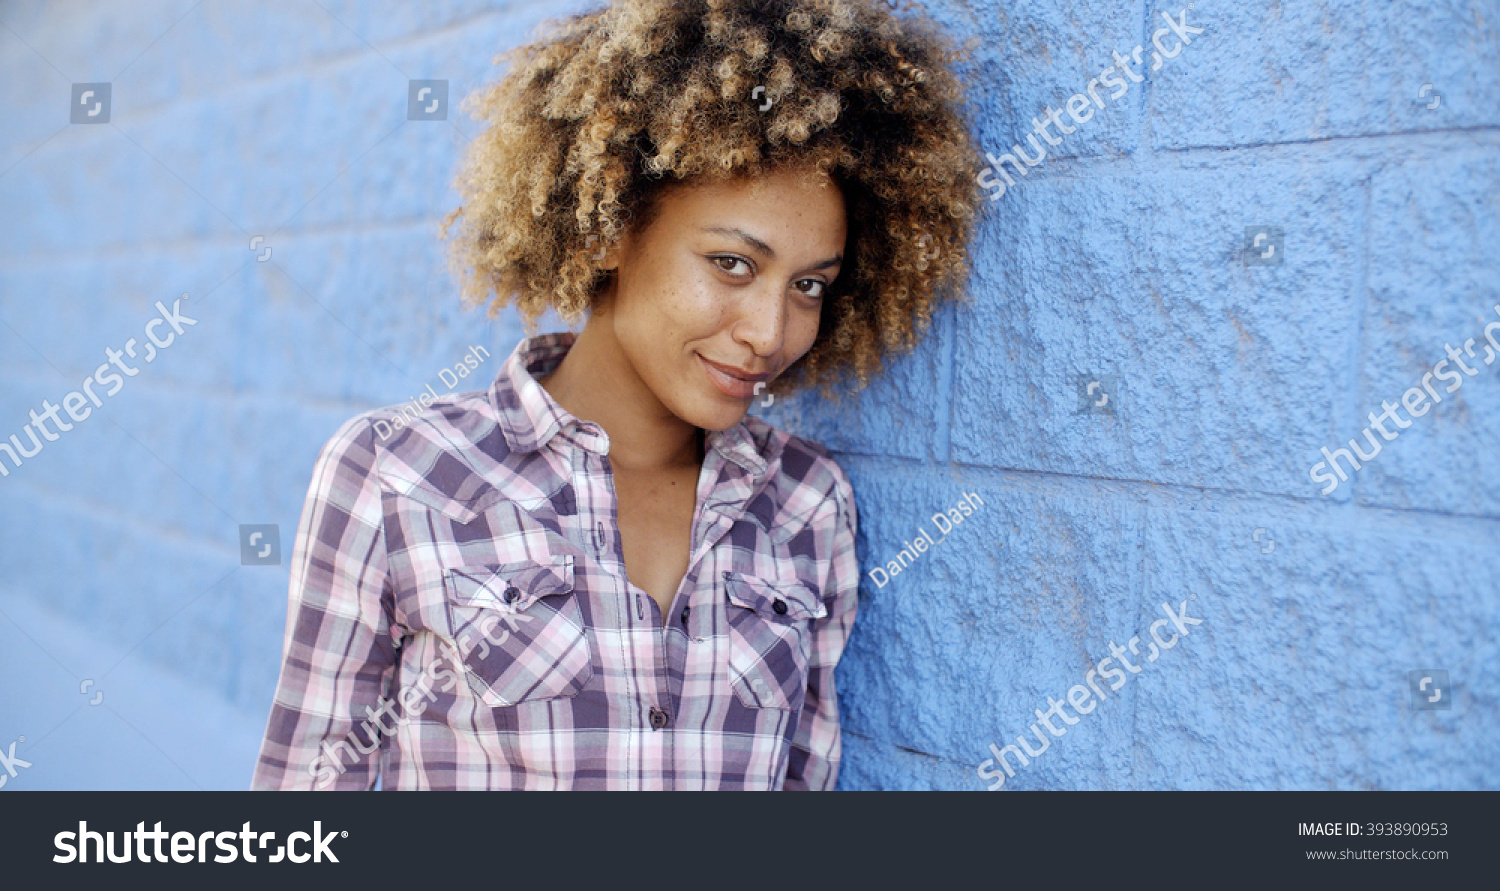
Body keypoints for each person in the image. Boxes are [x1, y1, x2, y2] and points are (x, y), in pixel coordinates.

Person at [252, 0, 981, 790]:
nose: (771, 332)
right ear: (608, 229)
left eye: (809, 285)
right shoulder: (397, 475)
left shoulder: (808, 505)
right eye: (732, 263)